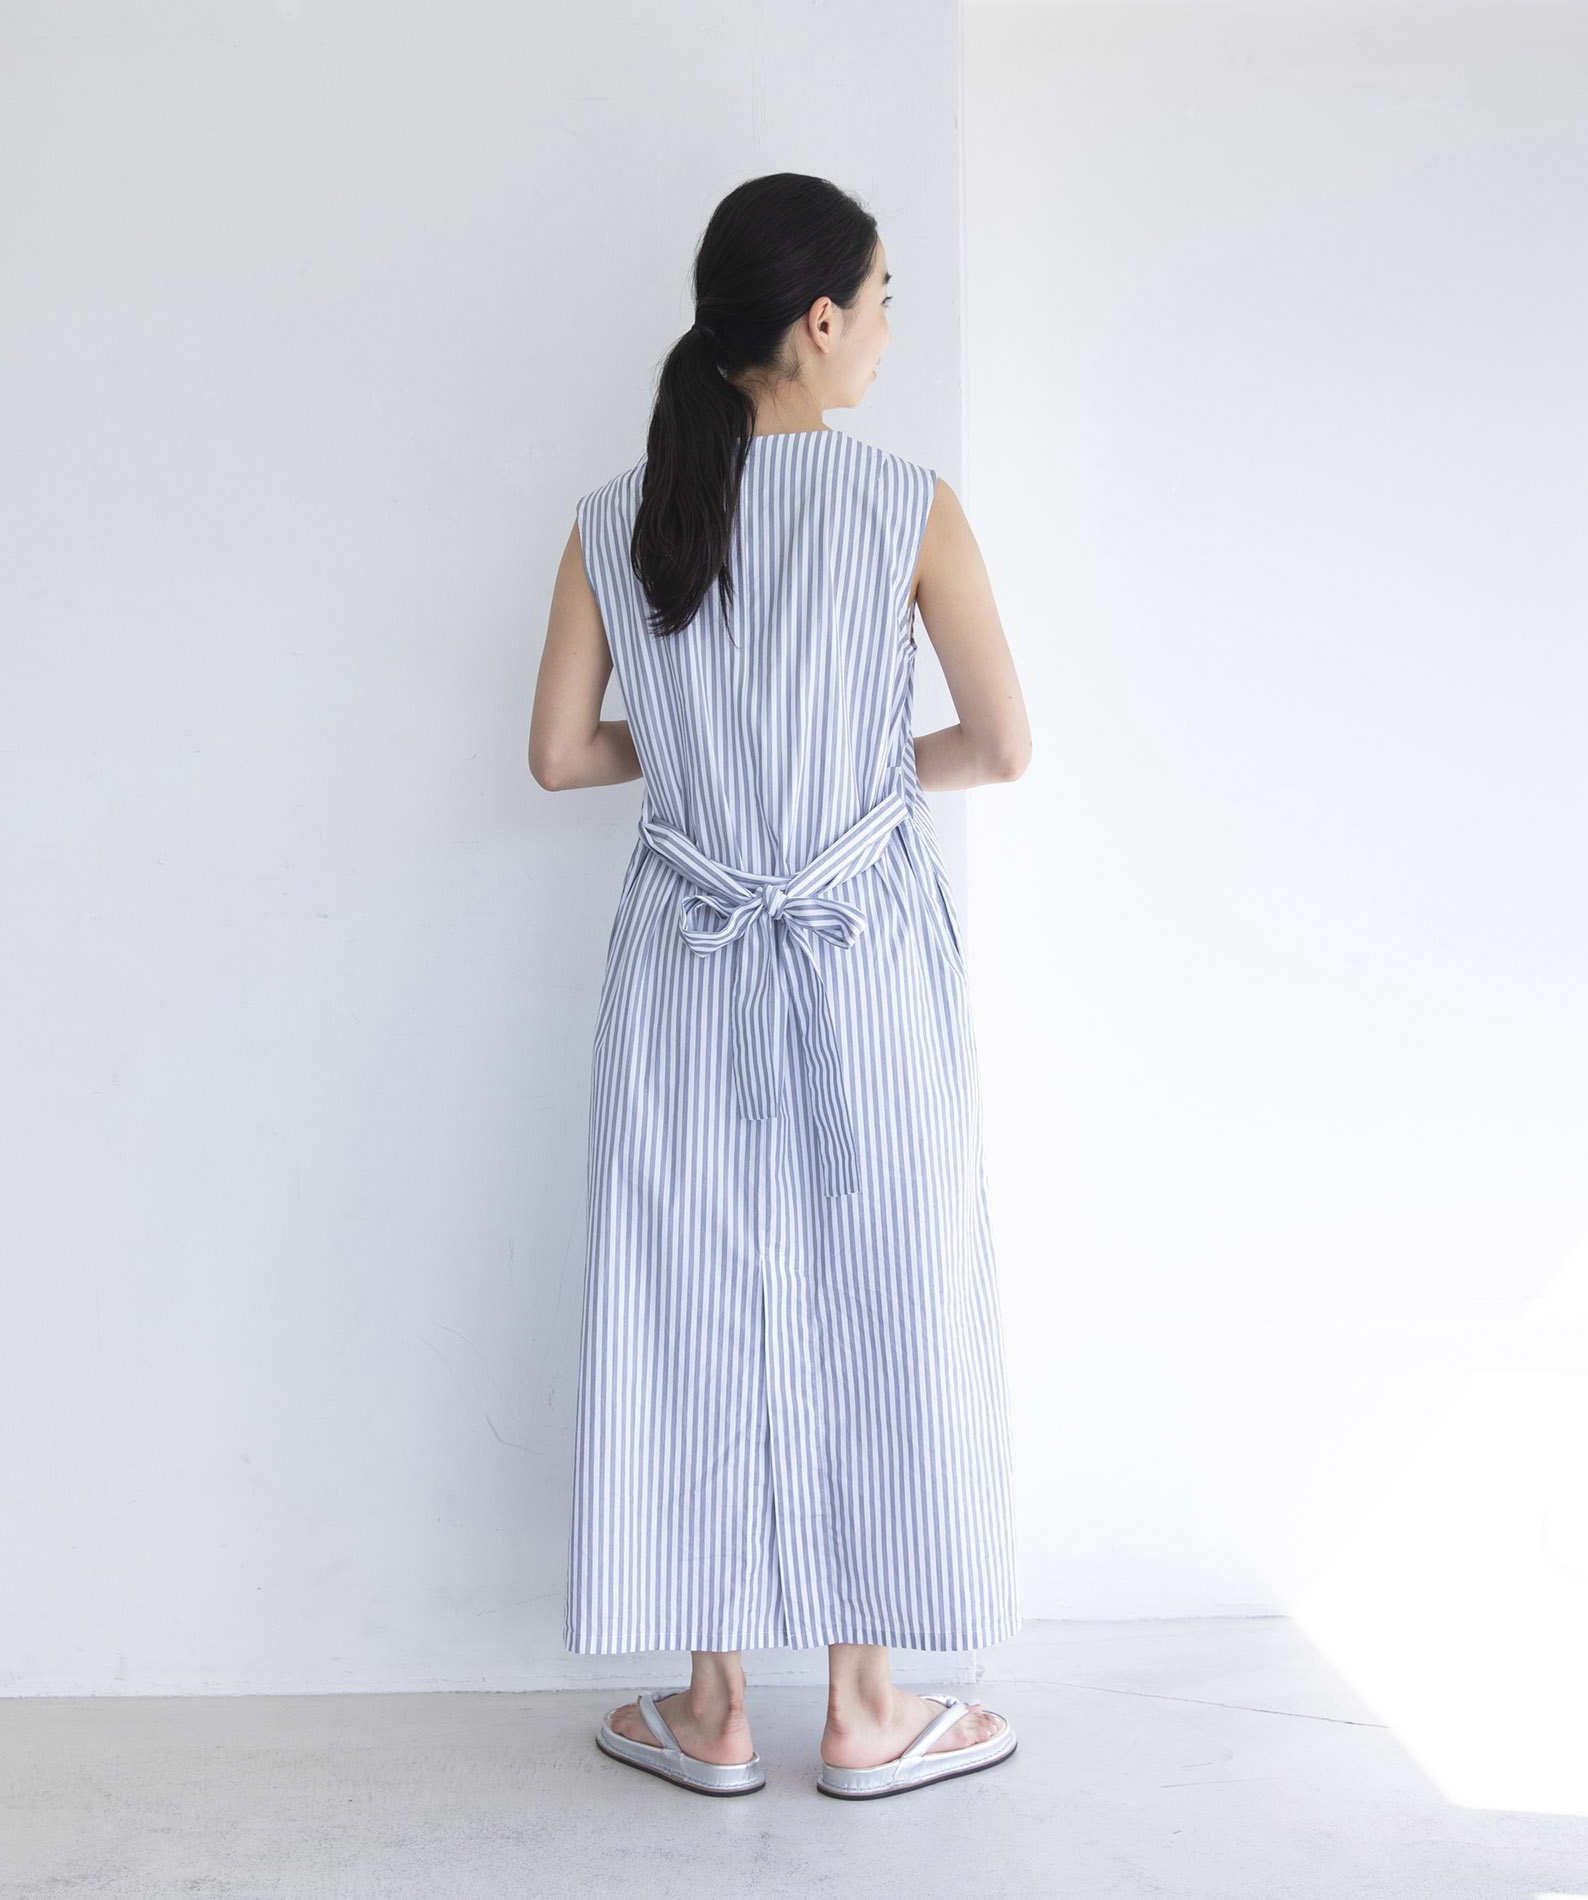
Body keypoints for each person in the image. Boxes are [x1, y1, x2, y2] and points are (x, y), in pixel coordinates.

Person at [527, 173, 1031, 1802]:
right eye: (881, 304)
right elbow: (1001, 745)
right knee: (881, 1288)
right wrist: (854, 787)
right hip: (859, 950)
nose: (886, 334)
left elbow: (558, 755)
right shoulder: (907, 506)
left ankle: (716, 1707)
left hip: (687, 953)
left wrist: (701, 767)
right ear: (817, 322)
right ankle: (871, 1709)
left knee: (686, 1293)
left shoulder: (619, 514)